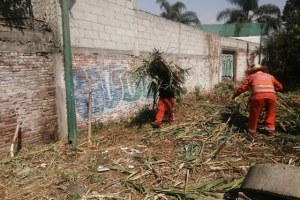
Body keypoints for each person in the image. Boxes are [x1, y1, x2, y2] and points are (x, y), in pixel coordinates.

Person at [232, 64, 283, 137]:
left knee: (254, 115)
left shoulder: (251, 77)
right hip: (272, 97)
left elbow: (243, 87)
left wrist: (236, 94)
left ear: (253, 71)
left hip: (258, 97)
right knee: (270, 113)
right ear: (262, 70)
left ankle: (252, 132)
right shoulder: (270, 76)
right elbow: (280, 87)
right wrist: (273, 90)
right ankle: (270, 130)